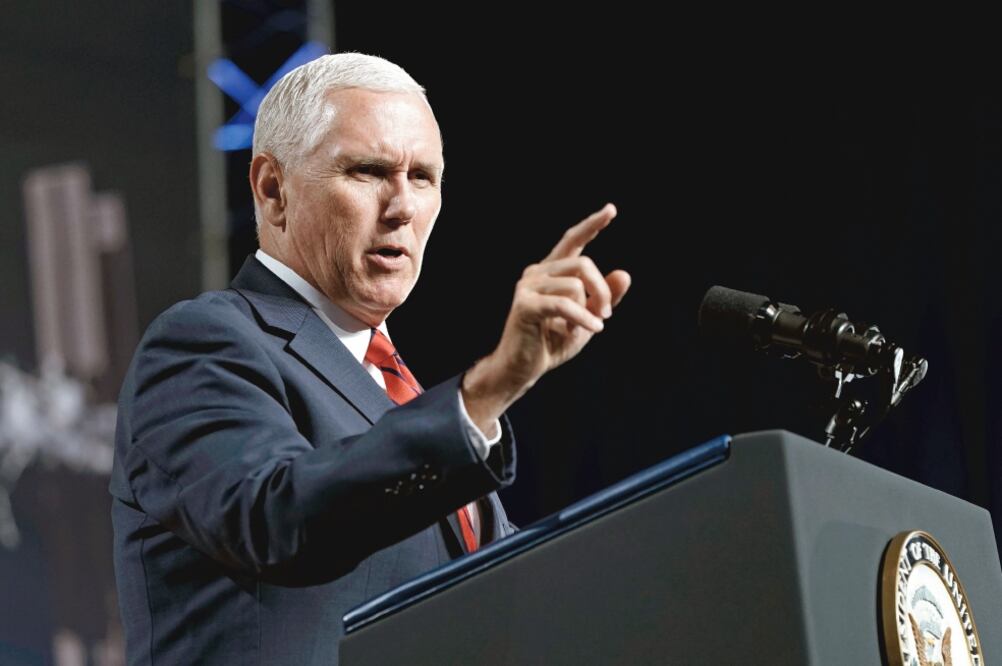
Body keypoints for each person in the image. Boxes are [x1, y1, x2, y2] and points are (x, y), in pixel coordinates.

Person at [110, 52, 630, 665]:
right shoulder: (205, 342)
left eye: (424, 177)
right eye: (368, 171)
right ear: (273, 189)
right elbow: (278, 518)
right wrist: (491, 388)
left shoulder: (396, 390)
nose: (403, 206)